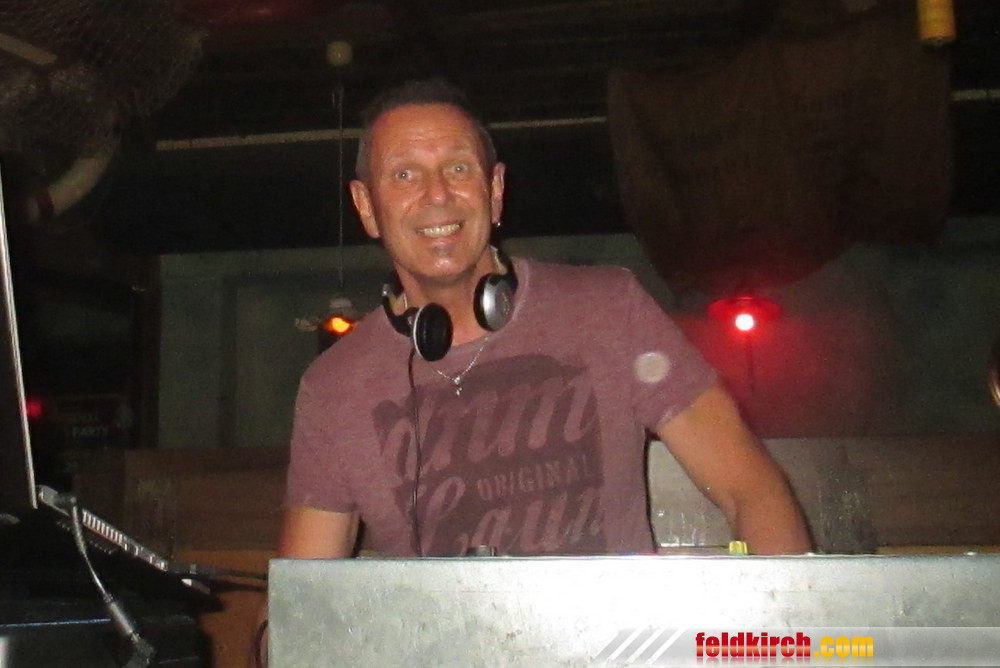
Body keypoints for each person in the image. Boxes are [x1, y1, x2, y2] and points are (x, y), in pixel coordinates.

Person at [277, 78, 811, 561]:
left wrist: (785, 629)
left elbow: (750, 491)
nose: (436, 194)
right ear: (366, 207)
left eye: (458, 168)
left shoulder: (607, 308)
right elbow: (299, 598)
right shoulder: (334, 387)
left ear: (495, 192)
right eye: (404, 174)